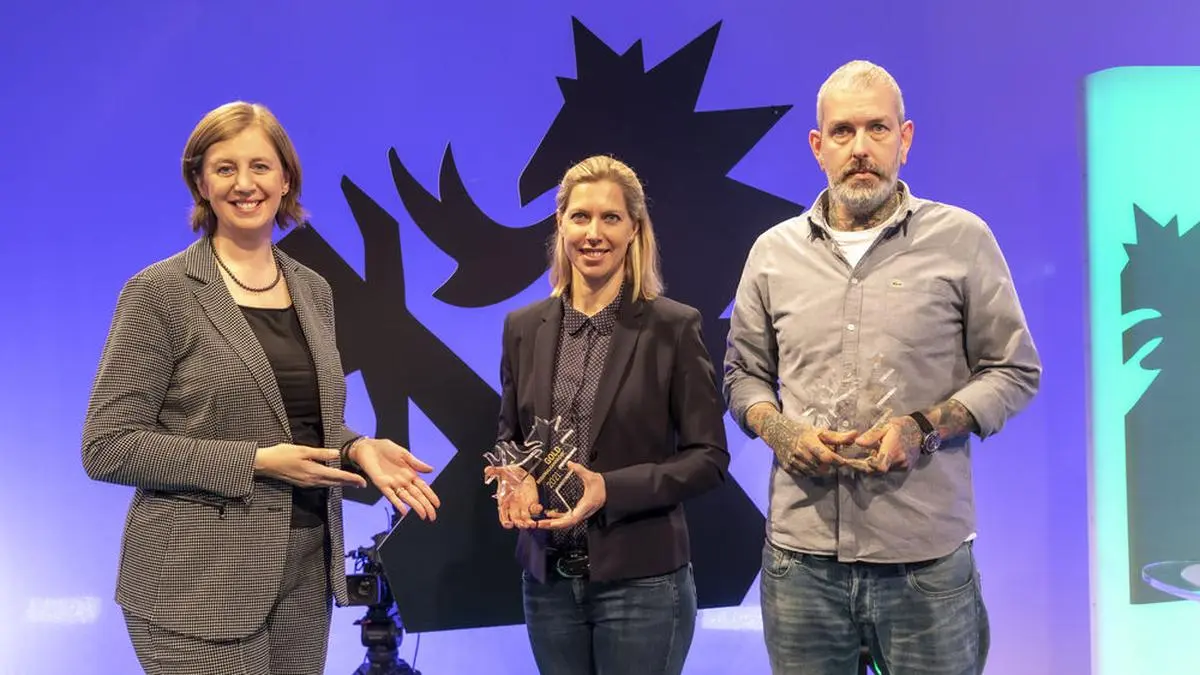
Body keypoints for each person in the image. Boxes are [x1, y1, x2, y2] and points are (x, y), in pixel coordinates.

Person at [81, 101, 441, 675]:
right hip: (195, 583)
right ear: (200, 182)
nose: (244, 184)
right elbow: (108, 445)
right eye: (225, 169)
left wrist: (355, 448)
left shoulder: (312, 289)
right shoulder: (160, 292)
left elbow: (297, 423)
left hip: (303, 571)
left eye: (260, 167)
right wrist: (256, 462)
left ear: (286, 178)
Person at [723, 60, 1041, 675]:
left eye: (877, 129)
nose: (860, 148)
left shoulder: (963, 239)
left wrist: (925, 426)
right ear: (818, 147)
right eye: (842, 132)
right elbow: (742, 375)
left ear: (906, 139)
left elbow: (1013, 369)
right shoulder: (772, 253)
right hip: (801, 564)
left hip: (924, 561)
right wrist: (780, 431)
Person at [488, 155, 729, 675]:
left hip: (642, 586)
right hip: (547, 583)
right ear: (560, 224)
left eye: (610, 218)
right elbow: (510, 433)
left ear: (634, 229)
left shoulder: (673, 327)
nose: (593, 233)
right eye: (580, 217)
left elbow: (707, 458)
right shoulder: (522, 327)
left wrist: (609, 489)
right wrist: (515, 479)